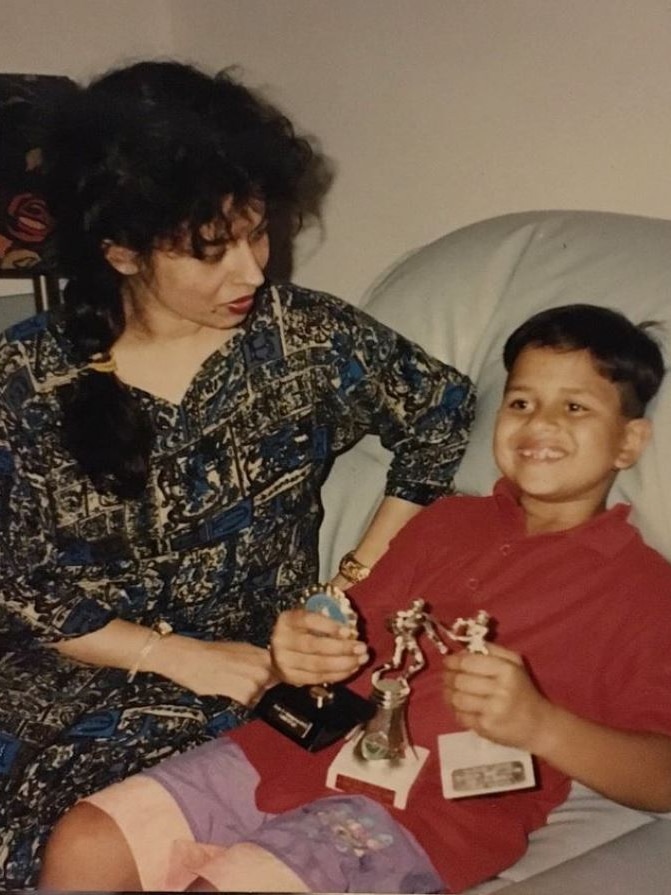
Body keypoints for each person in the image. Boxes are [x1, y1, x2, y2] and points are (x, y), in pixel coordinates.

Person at [0, 60, 476, 887]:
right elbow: (24, 586)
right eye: (212, 249)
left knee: (88, 831)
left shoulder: (304, 341)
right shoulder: (25, 377)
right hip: (70, 662)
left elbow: (440, 414)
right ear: (120, 251)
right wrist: (176, 653)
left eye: (259, 232)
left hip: (245, 670)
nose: (253, 272)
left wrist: (351, 579)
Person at [39, 302, 671, 893]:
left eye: (576, 408)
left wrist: (540, 722)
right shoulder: (446, 521)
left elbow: (662, 777)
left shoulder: (644, 591)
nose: (539, 424)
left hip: (429, 811)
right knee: (83, 841)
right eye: (522, 401)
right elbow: (349, 632)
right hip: (289, 749)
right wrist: (301, 651)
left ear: (629, 443)